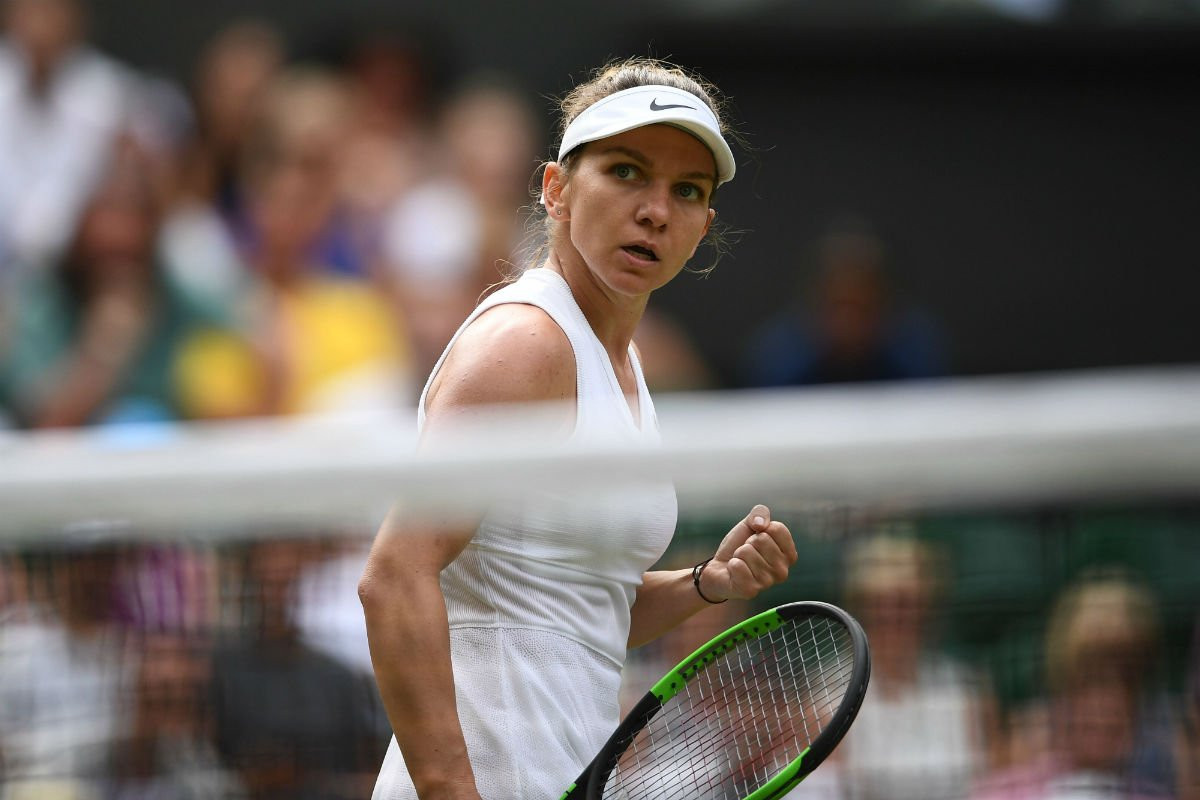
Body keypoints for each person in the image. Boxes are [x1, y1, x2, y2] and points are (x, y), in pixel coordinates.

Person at [359, 58, 799, 800]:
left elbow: (577, 610)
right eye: (626, 173)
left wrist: (704, 584)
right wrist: (449, 789)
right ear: (556, 190)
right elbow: (394, 576)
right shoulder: (526, 345)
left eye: (686, 190)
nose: (655, 210)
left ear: (703, 227)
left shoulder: (622, 368)